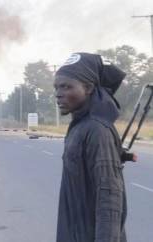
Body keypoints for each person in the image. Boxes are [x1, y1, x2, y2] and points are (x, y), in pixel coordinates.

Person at [54, 53, 135, 242]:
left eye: (66, 86)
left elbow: (109, 200)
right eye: (57, 87)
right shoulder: (80, 126)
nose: (58, 93)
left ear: (89, 88)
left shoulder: (97, 130)